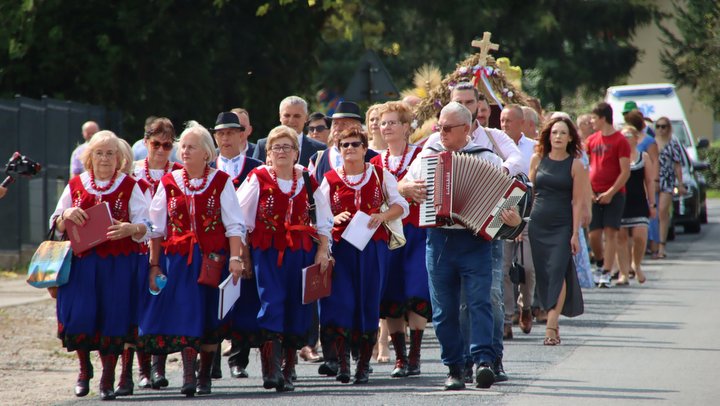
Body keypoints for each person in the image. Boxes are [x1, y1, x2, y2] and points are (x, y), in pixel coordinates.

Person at [398, 102, 521, 390]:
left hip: (475, 241)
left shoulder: (487, 157)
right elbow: (403, 183)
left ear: (467, 130)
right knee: (443, 310)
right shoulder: (428, 154)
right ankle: (454, 367)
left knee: (478, 303)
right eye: (438, 127)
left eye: (448, 128)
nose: (441, 133)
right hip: (439, 240)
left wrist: (512, 217)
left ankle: (483, 362)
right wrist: (406, 188)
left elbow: (509, 203)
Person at [141, 121, 244, 397]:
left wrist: (235, 258)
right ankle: (188, 375)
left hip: (212, 261)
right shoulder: (169, 182)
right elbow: (157, 228)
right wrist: (154, 264)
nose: (184, 151)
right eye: (182, 146)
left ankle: (205, 375)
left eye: (191, 147)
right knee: (186, 315)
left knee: (210, 317)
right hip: (178, 263)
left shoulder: (221, 181)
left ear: (206, 153)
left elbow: (234, 225)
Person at [51, 130, 150, 400]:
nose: (104, 158)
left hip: (118, 264)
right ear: (89, 157)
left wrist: (131, 228)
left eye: (109, 153)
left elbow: (148, 226)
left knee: (114, 318)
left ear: (119, 158)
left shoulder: (130, 186)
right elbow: (56, 222)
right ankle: (84, 370)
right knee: (80, 315)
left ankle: (108, 378)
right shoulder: (76, 184)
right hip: (82, 264)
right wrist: (66, 214)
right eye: (99, 153)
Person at [235, 125, 333, 391]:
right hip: (267, 253)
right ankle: (271, 370)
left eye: (286, 147)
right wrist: (243, 255)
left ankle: (288, 370)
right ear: (268, 153)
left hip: (301, 252)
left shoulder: (309, 179)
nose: (281, 151)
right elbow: (239, 220)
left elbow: (324, 221)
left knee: (298, 309)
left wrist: (323, 250)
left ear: (296, 153)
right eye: (275, 147)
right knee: (272, 304)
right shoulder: (258, 177)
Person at [318, 127, 408, 384]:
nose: (350, 149)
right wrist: (333, 218)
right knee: (341, 302)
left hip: (372, 248)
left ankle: (363, 365)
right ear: (338, 148)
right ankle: (344, 364)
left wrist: (382, 216)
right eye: (344, 144)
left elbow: (401, 205)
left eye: (355, 144)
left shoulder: (380, 174)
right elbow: (318, 215)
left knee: (368, 303)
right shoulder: (331, 179)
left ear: (365, 147)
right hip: (342, 250)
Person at [369, 101, 430, 378]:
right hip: (387, 235)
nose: (387, 127)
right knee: (392, 294)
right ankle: (400, 358)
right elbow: (372, 199)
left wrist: (402, 191)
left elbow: (425, 191)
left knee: (417, 290)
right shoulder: (374, 162)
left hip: (416, 231)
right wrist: (401, 189)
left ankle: (415, 355)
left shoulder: (422, 155)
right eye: (383, 123)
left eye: (393, 122)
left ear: (406, 127)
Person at [209, 111, 263, 380]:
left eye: (231, 132)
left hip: (247, 244)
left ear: (243, 135)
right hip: (213, 244)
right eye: (221, 133)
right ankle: (211, 359)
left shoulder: (257, 167)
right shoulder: (206, 167)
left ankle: (238, 358)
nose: (226, 138)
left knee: (243, 300)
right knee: (213, 298)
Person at [528, 116, 587, 346]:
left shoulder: (576, 165)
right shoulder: (537, 159)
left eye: (563, 133)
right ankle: (551, 319)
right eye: (554, 132)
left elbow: (577, 203)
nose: (558, 136)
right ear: (548, 136)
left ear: (570, 137)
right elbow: (528, 193)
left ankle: (551, 325)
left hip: (562, 226)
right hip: (537, 224)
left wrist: (574, 234)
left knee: (558, 271)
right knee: (544, 273)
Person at [423, 82, 524, 176]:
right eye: (458, 102)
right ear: (451, 104)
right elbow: (417, 169)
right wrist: (407, 186)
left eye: (469, 102)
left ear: (478, 104)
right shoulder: (436, 139)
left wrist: (501, 172)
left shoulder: (494, 136)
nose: (464, 107)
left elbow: (517, 158)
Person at [500, 105, 537, 345]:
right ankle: (505, 319)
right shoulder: (497, 146)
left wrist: (522, 223)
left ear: (522, 123)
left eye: (509, 121)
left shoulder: (532, 149)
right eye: (502, 120)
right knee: (503, 268)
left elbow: (534, 186)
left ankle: (527, 306)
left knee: (529, 268)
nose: (504, 125)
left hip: (526, 210)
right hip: (501, 210)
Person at [586, 102, 631, 287]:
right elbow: (585, 166)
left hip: (615, 193)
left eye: (594, 118)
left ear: (603, 118)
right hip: (593, 193)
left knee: (610, 233)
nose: (591, 121)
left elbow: (625, 171)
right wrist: (589, 191)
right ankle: (600, 262)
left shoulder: (620, 140)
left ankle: (606, 272)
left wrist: (611, 192)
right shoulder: (591, 140)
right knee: (594, 235)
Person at [616, 126, 655, 285]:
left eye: (629, 135)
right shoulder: (617, 156)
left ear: (636, 138)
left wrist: (652, 203)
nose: (626, 138)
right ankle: (623, 273)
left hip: (638, 202)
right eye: (623, 136)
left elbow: (649, 181)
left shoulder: (643, 157)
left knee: (640, 236)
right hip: (621, 201)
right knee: (621, 238)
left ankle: (636, 264)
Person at [309, 101, 379, 182]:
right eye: (335, 123)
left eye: (344, 124)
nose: (338, 128)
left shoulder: (374, 159)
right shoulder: (317, 159)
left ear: (358, 128)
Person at [254, 96, 326, 167]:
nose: (291, 121)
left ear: (306, 118)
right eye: (287, 115)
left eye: (297, 116)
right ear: (280, 117)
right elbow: (253, 174)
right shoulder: (263, 145)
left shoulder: (319, 149)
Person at [653, 117, 685, 259]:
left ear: (669, 128)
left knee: (662, 212)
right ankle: (652, 245)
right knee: (652, 212)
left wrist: (680, 183)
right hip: (652, 180)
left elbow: (677, 165)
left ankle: (661, 246)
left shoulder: (673, 144)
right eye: (658, 126)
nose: (661, 129)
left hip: (667, 180)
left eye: (664, 126)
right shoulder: (651, 142)